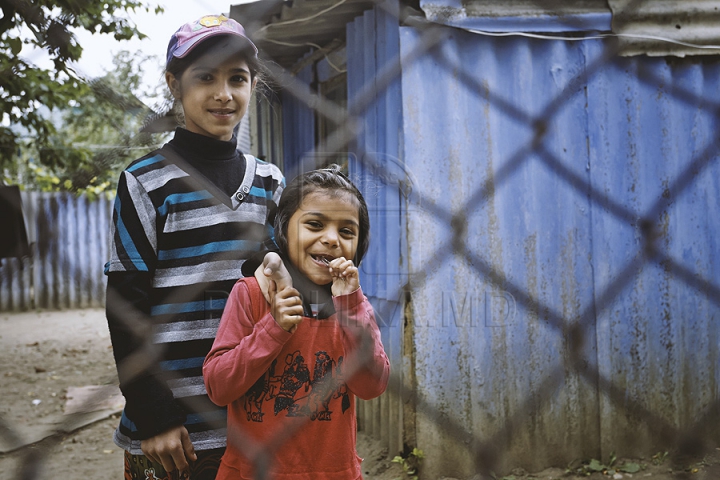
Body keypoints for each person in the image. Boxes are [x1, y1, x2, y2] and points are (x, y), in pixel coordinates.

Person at [104, 14, 285, 480]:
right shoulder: (145, 181)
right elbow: (126, 305)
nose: (223, 93)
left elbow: (285, 294)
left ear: (252, 85)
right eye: (205, 77)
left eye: (237, 79)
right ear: (174, 84)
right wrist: (154, 414)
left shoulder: (270, 182)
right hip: (175, 432)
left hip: (254, 416)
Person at [203, 166, 390, 480]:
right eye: (315, 224)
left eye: (347, 231)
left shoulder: (353, 305)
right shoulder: (251, 294)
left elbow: (372, 386)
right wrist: (272, 329)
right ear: (285, 231)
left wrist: (352, 307)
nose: (331, 239)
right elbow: (218, 388)